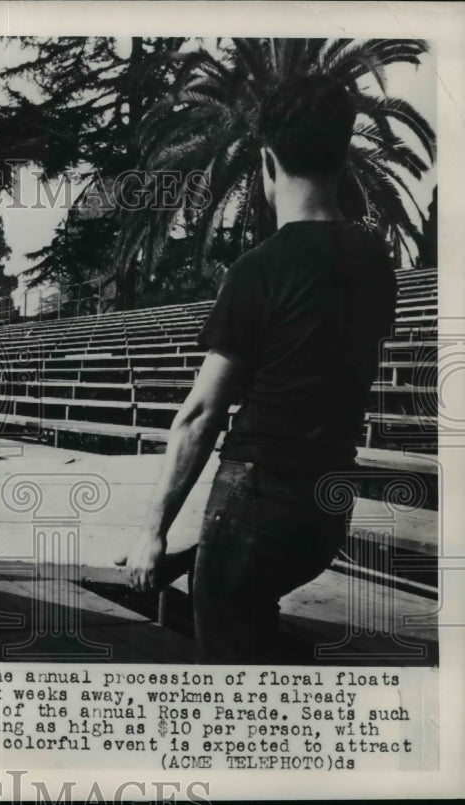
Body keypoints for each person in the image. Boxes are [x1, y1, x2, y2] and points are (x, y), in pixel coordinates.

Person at [119, 76, 397, 663]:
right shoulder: (376, 261)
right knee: (256, 629)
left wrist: (151, 533)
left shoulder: (259, 269)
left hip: (253, 500)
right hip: (324, 509)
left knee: (231, 664)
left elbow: (200, 414)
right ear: (343, 156)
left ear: (267, 162)